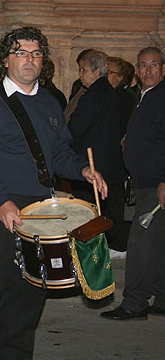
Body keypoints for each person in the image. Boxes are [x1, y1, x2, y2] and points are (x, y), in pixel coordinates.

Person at [0, 27, 107, 359]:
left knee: (31, 289)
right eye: (21, 53)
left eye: (35, 54)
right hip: (3, 204)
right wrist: (2, 201)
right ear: (5, 60)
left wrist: (83, 170)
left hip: (42, 208)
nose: (29, 60)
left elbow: (60, 153)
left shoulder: (49, 102)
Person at [101, 46, 165, 321]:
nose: (147, 70)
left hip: (155, 185)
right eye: (142, 65)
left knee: (139, 244)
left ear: (163, 68)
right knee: (157, 243)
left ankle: (135, 303)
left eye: (153, 65)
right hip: (144, 182)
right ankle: (162, 298)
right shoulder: (145, 96)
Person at [68, 50, 128, 256]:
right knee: (106, 206)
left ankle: (91, 247)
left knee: (89, 208)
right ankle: (104, 243)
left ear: (96, 71)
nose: (80, 74)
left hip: (92, 161)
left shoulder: (92, 96)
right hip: (108, 160)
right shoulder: (110, 92)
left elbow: (76, 127)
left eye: (83, 70)